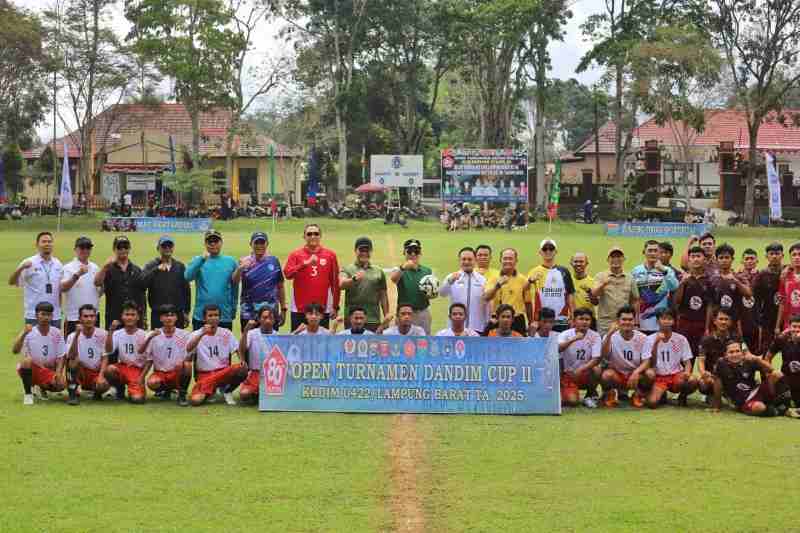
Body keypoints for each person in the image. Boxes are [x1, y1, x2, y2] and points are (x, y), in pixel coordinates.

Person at [713, 340, 799, 418]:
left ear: (742, 353)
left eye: (737, 351)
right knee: (759, 407)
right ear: (725, 355)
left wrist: (757, 359)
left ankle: (787, 407)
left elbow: (771, 370)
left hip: (756, 392)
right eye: (731, 352)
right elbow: (717, 386)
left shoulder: (749, 361)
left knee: (777, 374)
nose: (735, 354)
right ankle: (780, 410)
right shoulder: (721, 364)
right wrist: (717, 407)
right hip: (743, 402)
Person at [185, 304, 247, 406]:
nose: (213, 318)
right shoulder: (196, 334)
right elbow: (188, 349)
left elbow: (237, 349)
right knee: (195, 401)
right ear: (204, 318)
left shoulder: (226, 333)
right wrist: (202, 334)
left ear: (219, 317)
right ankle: (211, 390)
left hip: (223, 372)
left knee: (242, 368)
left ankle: (228, 391)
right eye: (210, 315)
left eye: (216, 315)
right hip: (205, 374)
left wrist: (242, 360)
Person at [284, 224, 340, 331]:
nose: (313, 236)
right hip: (300, 308)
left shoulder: (330, 255)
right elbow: (287, 274)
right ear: (304, 237)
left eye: (316, 234)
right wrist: (304, 264)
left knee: (321, 342)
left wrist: (335, 306)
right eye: (309, 234)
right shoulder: (295, 255)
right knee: (298, 341)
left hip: (322, 309)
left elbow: (335, 283)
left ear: (320, 236)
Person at [12, 302, 67, 405]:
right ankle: (28, 394)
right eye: (43, 314)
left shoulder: (56, 333)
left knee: (62, 384)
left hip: (48, 369)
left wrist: (59, 373)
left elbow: (61, 356)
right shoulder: (29, 332)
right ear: (36, 315)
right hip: (32, 368)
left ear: (52, 316)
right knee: (26, 361)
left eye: (48, 315)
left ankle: (40, 387)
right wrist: (23, 334)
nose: (46, 317)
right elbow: (15, 351)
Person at [643, 308, 698, 408]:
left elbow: (687, 362)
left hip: (676, 376)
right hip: (659, 377)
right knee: (652, 403)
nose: (666, 321)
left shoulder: (681, 339)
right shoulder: (649, 339)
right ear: (657, 321)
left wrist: (687, 372)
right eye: (663, 318)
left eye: (669, 319)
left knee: (692, 380)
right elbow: (652, 363)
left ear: (674, 321)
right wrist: (656, 343)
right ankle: (659, 394)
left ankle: (682, 396)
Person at [139, 304, 192, 406]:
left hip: (177, 372)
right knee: (152, 383)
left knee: (187, 365)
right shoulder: (153, 334)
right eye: (165, 316)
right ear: (160, 318)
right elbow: (147, 358)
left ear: (176, 318)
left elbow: (189, 357)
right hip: (161, 373)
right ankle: (165, 390)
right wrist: (142, 378)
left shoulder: (185, 335)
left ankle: (182, 394)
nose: (169, 318)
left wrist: (181, 366)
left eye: (172, 315)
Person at [185, 230, 238, 331]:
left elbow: (235, 287)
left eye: (216, 241)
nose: (213, 244)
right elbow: (188, 276)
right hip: (201, 315)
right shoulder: (198, 260)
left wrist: (234, 308)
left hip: (224, 315)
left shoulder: (230, 261)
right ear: (205, 244)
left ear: (221, 242)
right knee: (199, 345)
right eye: (210, 241)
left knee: (224, 345)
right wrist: (201, 260)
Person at [233, 232, 286, 332]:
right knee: (248, 342)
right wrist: (240, 268)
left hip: (270, 311)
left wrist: (283, 309)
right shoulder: (244, 261)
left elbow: (280, 286)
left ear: (267, 244)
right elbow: (235, 282)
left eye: (262, 243)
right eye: (256, 243)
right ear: (251, 244)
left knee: (270, 343)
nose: (259, 246)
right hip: (249, 311)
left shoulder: (274, 261)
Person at [9, 231, 64, 328]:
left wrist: (59, 309)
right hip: (34, 315)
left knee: (54, 342)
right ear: (37, 245)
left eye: (49, 241)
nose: (47, 244)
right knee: (34, 342)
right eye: (44, 241)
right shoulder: (29, 262)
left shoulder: (58, 264)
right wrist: (21, 268)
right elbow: (12, 282)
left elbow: (59, 289)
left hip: (54, 315)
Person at [599, 305, 649, 408]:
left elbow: (647, 361)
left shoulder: (643, 337)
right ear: (618, 321)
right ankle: (610, 394)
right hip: (618, 375)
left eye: (630, 320)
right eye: (624, 319)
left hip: (635, 375)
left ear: (634, 321)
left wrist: (636, 372)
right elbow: (604, 356)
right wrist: (608, 334)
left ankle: (638, 394)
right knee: (606, 375)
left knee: (650, 373)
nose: (627, 322)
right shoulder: (611, 336)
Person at [94, 235, 145, 330]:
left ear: (129, 249)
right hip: (114, 317)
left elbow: (142, 295)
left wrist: (143, 317)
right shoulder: (108, 269)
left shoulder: (137, 269)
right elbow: (97, 282)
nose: (123, 250)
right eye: (119, 247)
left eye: (125, 247)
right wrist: (105, 267)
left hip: (133, 317)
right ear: (114, 249)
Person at [141, 235, 191, 329]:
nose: (167, 248)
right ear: (158, 248)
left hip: (177, 313)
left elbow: (186, 291)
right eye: (164, 246)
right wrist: (156, 270)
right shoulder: (151, 265)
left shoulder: (180, 266)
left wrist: (186, 312)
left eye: (170, 246)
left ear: (173, 248)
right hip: (158, 313)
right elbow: (142, 284)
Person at [339, 237, 388, 333]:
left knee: (373, 346)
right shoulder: (347, 269)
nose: (364, 253)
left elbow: (383, 295)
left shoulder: (378, 271)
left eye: (367, 250)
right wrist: (354, 279)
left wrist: (386, 316)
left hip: (373, 319)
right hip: (352, 319)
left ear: (371, 251)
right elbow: (341, 284)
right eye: (361, 250)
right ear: (355, 251)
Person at [103, 302, 148, 403]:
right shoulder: (118, 333)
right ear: (122, 317)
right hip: (123, 367)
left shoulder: (144, 335)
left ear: (138, 317)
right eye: (127, 315)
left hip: (137, 370)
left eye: (133, 315)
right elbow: (108, 350)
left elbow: (149, 360)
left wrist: (142, 377)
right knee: (110, 369)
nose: (129, 318)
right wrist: (110, 331)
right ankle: (120, 389)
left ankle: (135, 389)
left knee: (137, 400)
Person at [527, 239, 575, 334]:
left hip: (561, 320)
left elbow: (570, 294)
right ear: (540, 252)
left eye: (551, 248)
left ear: (556, 251)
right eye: (545, 249)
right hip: (541, 321)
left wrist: (573, 316)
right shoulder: (534, 271)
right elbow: (525, 293)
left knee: (559, 347)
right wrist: (532, 320)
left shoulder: (564, 271)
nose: (548, 251)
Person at [557, 307, 602, 408]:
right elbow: (557, 349)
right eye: (581, 319)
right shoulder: (565, 334)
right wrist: (574, 339)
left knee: (597, 369)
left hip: (584, 373)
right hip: (569, 374)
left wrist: (582, 369)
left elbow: (596, 359)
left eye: (587, 319)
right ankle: (565, 392)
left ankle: (589, 396)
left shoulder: (595, 336)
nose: (584, 322)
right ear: (574, 321)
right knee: (572, 402)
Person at [64, 305, 109, 405]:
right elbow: (71, 356)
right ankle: (72, 394)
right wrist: (77, 335)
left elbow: (105, 357)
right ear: (80, 318)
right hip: (81, 372)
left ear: (96, 318)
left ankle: (97, 393)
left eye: (92, 316)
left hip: (95, 372)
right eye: (85, 316)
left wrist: (101, 376)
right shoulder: (72, 336)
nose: (89, 319)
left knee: (103, 385)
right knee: (73, 361)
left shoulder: (103, 334)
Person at [632, 240, 678, 335]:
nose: (653, 253)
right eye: (650, 250)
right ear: (644, 252)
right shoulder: (636, 270)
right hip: (639, 323)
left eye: (655, 250)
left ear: (659, 253)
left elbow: (675, 287)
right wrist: (635, 321)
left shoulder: (667, 270)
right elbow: (633, 297)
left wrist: (663, 271)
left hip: (660, 323)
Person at [440, 247, 490, 333]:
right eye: (464, 259)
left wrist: (487, 322)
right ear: (459, 260)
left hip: (476, 327)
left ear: (475, 260)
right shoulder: (452, 277)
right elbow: (442, 293)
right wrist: (449, 282)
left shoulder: (482, 280)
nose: (466, 262)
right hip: (455, 327)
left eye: (470, 259)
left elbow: (486, 304)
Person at [483, 248, 532, 336]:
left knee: (519, 347)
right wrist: (497, 286)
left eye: (510, 258)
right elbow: (486, 297)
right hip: (498, 319)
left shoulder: (523, 280)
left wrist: (530, 322)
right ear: (500, 260)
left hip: (517, 320)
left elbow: (528, 303)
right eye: (505, 258)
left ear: (516, 260)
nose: (507, 261)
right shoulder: (493, 278)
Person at [674, 246, 712, 359]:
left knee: (699, 355)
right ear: (689, 260)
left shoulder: (709, 280)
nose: (695, 259)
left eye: (698, 256)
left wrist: (707, 327)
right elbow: (676, 301)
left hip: (700, 323)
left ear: (704, 259)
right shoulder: (683, 278)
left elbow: (709, 305)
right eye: (693, 256)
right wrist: (682, 283)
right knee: (682, 357)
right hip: (684, 323)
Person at [592, 246, 639, 336]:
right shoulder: (600, 276)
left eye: (618, 257)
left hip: (625, 322)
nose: (616, 259)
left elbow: (635, 300)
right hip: (605, 323)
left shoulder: (630, 278)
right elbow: (594, 294)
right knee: (604, 347)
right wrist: (603, 284)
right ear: (608, 259)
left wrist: (636, 322)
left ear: (623, 259)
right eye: (613, 257)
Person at [61, 236, 103, 335]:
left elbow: (97, 293)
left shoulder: (95, 267)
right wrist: (77, 274)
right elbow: (63, 288)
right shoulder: (68, 268)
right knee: (72, 348)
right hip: (74, 317)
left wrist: (104, 288)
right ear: (75, 249)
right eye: (82, 247)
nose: (85, 250)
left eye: (88, 247)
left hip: (93, 316)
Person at [390, 239, 433, 334]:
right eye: (409, 251)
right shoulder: (399, 269)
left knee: (424, 343)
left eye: (416, 251)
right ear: (404, 252)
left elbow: (432, 292)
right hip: (405, 314)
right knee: (402, 342)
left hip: (422, 312)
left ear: (420, 253)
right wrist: (403, 268)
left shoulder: (427, 271)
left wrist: (431, 293)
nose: (413, 254)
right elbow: (393, 279)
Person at [697, 308, 741, 400]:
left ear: (730, 322)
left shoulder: (736, 337)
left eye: (726, 319)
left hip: (732, 375)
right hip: (713, 376)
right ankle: (712, 394)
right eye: (720, 319)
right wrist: (703, 373)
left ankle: (730, 394)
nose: (723, 322)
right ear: (714, 321)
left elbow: (745, 354)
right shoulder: (706, 340)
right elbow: (701, 360)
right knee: (703, 384)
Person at [709, 243, 752, 337]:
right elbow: (710, 304)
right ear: (716, 260)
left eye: (727, 257)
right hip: (717, 324)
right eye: (721, 258)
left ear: (732, 259)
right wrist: (708, 327)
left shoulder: (739, 277)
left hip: (735, 323)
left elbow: (749, 295)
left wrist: (735, 281)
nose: (724, 260)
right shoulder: (712, 279)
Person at [239, 306, 279, 403]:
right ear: (259, 319)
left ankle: (259, 393)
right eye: (264, 317)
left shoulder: (277, 336)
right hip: (255, 372)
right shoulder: (252, 334)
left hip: (271, 373)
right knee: (244, 394)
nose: (267, 321)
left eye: (270, 318)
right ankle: (258, 392)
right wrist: (245, 331)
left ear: (274, 321)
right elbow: (242, 348)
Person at [753, 242, 784, 354]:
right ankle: (765, 372)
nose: (774, 256)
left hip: (787, 319)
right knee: (767, 350)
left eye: (777, 253)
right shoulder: (761, 276)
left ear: (782, 255)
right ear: (767, 256)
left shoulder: (788, 272)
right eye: (771, 254)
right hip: (768, 319)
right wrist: (758, 319)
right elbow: (755, 300)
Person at [766, 315, 800, 408]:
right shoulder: (781, 339)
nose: (797, 330)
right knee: (781, 404)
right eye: (794, 326)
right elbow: (768, 357)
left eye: (799, 327)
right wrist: (770, 374)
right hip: (786, 381)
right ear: (789, 327)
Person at [736, 248, 759, 352]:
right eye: (747, 258)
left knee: (757, 355)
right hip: (741, 323)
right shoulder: (736, 277)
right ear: (742, 261)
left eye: (752, 258)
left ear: (757, 261)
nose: (749, 261)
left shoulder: (761, 276)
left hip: (757, 323)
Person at [775, 242, 800, 336]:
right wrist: (777, 326)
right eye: (794, 255)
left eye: (799, 255)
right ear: (790, 258)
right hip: (789, 325)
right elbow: (782, 303)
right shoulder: (785, 277)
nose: (797, 257)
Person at [570, 252, 597, 327]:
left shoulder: (593, 282)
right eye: (575, 261)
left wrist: (590, 293)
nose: (578, 264)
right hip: (571, 320)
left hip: (588, 321)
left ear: (586, 263)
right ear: (571, 263)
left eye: (581, 261)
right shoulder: (567, 280)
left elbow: (596, 302)